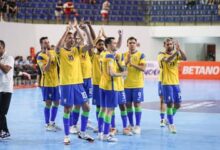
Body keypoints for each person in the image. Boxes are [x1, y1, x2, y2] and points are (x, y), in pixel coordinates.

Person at [55, 19, 94, 145]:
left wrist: (80, 29)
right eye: (69, 38)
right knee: (67, 109)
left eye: (72, 38)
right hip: (66, 84)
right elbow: (57, 47)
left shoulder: (77, 50)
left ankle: (82, 132)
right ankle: (66, 136)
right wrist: (66, 31)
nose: (72, 40)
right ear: (65, 39)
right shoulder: (60, 52)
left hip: (78, 83)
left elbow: (90, 45)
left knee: (86, 107)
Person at [99, 37, 127, 142]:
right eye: (114, 43)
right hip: (111, 86)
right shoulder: (110, 56)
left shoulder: (102, 54)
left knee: (102, 109)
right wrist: (122, 74)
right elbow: (111, 73)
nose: (116, 45)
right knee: (109, 111)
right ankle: (106, 134)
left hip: (102, 85)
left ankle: (100, 132)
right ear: (109, 45)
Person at [158, 38, 187, 133]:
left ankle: (168, 119)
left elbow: (185, 58)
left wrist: (180, 50)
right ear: (164, 45)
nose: (169, 45)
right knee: (169, 104)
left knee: (178, 105)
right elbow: (167, 60)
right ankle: (171, 124)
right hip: (166, 83)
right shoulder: (161, 54)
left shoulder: (176, 54)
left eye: (171, 44)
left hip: (176, 82)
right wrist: (176, 52)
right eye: (168, 44)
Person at [37, 37, 61, 132]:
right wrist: (50, 58)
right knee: (48, 103)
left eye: (48, 42)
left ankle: (52, 122)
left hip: (56, 83)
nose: (47, 44)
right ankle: (47, 124)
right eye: (45, 42)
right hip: (47, 84)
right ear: (41, 44)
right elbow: (44, 69)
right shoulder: (40, 56)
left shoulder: (53, 52)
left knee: (57, 102)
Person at [124, 37, 147, 134]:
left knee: (137, 104)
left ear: (136, 44)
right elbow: (121, 68)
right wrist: (126, 61)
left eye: (134, 42)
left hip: (137, 84)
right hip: (126, 84)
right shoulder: (123, 55)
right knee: (128, 104)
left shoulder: (141, 55)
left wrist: (132, 64)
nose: (132, 44)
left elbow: (143, 68)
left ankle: (138, 125)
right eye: (130, 43)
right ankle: (131, 124)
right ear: (127, 44)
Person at [0, 40, 14, 139]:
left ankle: (4, 131)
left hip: (6, 89)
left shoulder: (9, 58)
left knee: (2, 112)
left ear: (4, 48)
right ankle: (4, 131)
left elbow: (6, 70)